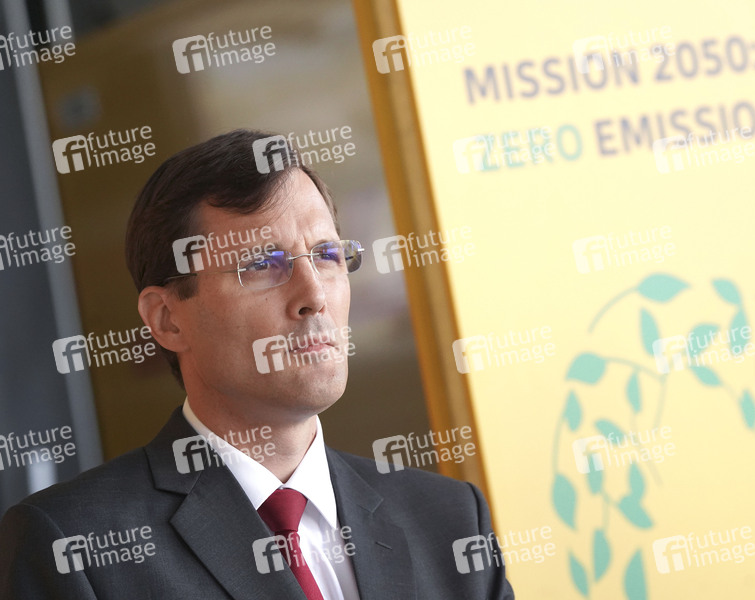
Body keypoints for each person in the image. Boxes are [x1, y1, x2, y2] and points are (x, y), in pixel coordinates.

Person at [0, 129, 515, 599]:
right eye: (262, 265)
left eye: (327, 255)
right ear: (167, 320)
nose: (314, 295)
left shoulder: (449, 522)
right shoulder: (76, 548)